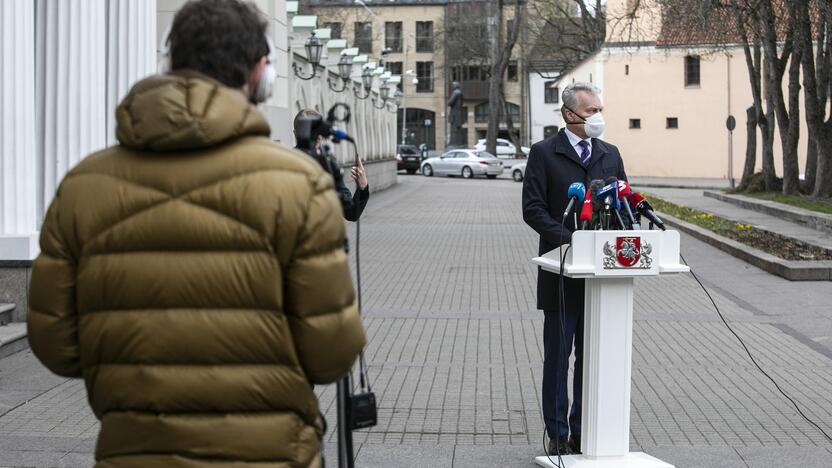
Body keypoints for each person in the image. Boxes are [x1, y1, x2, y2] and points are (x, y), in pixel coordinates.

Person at [26, 1, 366, 467]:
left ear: (168, 64)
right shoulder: (299, 185)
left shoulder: (83, 186)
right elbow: (332, 354)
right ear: (261, 75)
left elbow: (55, 346)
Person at [522, 82, 628, 456]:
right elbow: (533, 209)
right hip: (561, 270)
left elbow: (622, 205)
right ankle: (558, 433)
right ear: (570, 115)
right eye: (591, 111)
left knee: (592, 357)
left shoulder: (610, 154)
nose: (598, 117)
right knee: (558, 356)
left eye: (600, 109)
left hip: (602, 276)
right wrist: (571, 239)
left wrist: (617, 238)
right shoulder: (544, 153)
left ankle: (584, 428)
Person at [293, 109, 369, 222]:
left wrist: (362, 186)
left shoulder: (328, 165)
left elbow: (351, 213)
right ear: (296, 133)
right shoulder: (283, 164)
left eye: (316, 137)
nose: (313, 143)